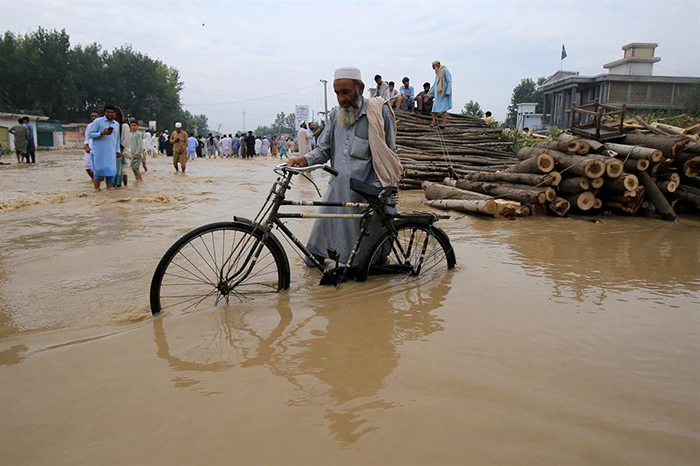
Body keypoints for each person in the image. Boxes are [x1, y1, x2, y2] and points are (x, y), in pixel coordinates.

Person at [287, 66, 401, 265]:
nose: (341, 99)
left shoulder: (379, 113)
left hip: (366, 193)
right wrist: (304, 160)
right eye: (337, 93)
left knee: (360, 263)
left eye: (346, 92)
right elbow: (323, 150)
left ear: (360, 88)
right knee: (313, 257)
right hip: (337, 190)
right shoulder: (335, 116)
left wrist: (381, 191)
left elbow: (389, 155)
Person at [89, 105, 120, 190]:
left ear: (115, 113)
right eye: (108, 112)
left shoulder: (116, 124)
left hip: (111, 153)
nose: (110, 114)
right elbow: (90, 134)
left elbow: (117, 139)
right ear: (104, 112)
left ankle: (109, 192)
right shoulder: (97, 121)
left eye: (112, 112)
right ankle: (97, 191)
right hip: (99, 152)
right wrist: (101, 133)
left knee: (110, 173)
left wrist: (118, 150)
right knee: (98, 173)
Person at [428, 60, 452, 127]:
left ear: (437, 65)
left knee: (444, 108)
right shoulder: (437, 73)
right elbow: (435, 84)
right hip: (437, 94)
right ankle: (433, 122)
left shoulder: (445, 70)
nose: (433, 68)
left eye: (434, 67)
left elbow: (449, 81)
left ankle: (443, 122)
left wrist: (447, 91)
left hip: (443, 93)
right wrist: (429, 94)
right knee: (434, 108)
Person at [114, 108, 129, 187]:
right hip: (113, 152)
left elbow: (126, 140)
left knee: (123, 171)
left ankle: (124, 187)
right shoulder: (112, 125)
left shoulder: (124, 126)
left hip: (122, 151)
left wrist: (122, 151)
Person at [82, 111, 100, 179]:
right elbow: (86, 138)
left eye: (95, 116)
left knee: (100, 167)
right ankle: (94, 179)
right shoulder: (89, 126)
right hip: (90, 148)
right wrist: (86, 146)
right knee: (87, 166)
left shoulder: (102, 125)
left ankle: (99, 180)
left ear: (99, 117)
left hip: (99, 148)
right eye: (92, 116)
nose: (94, 117)